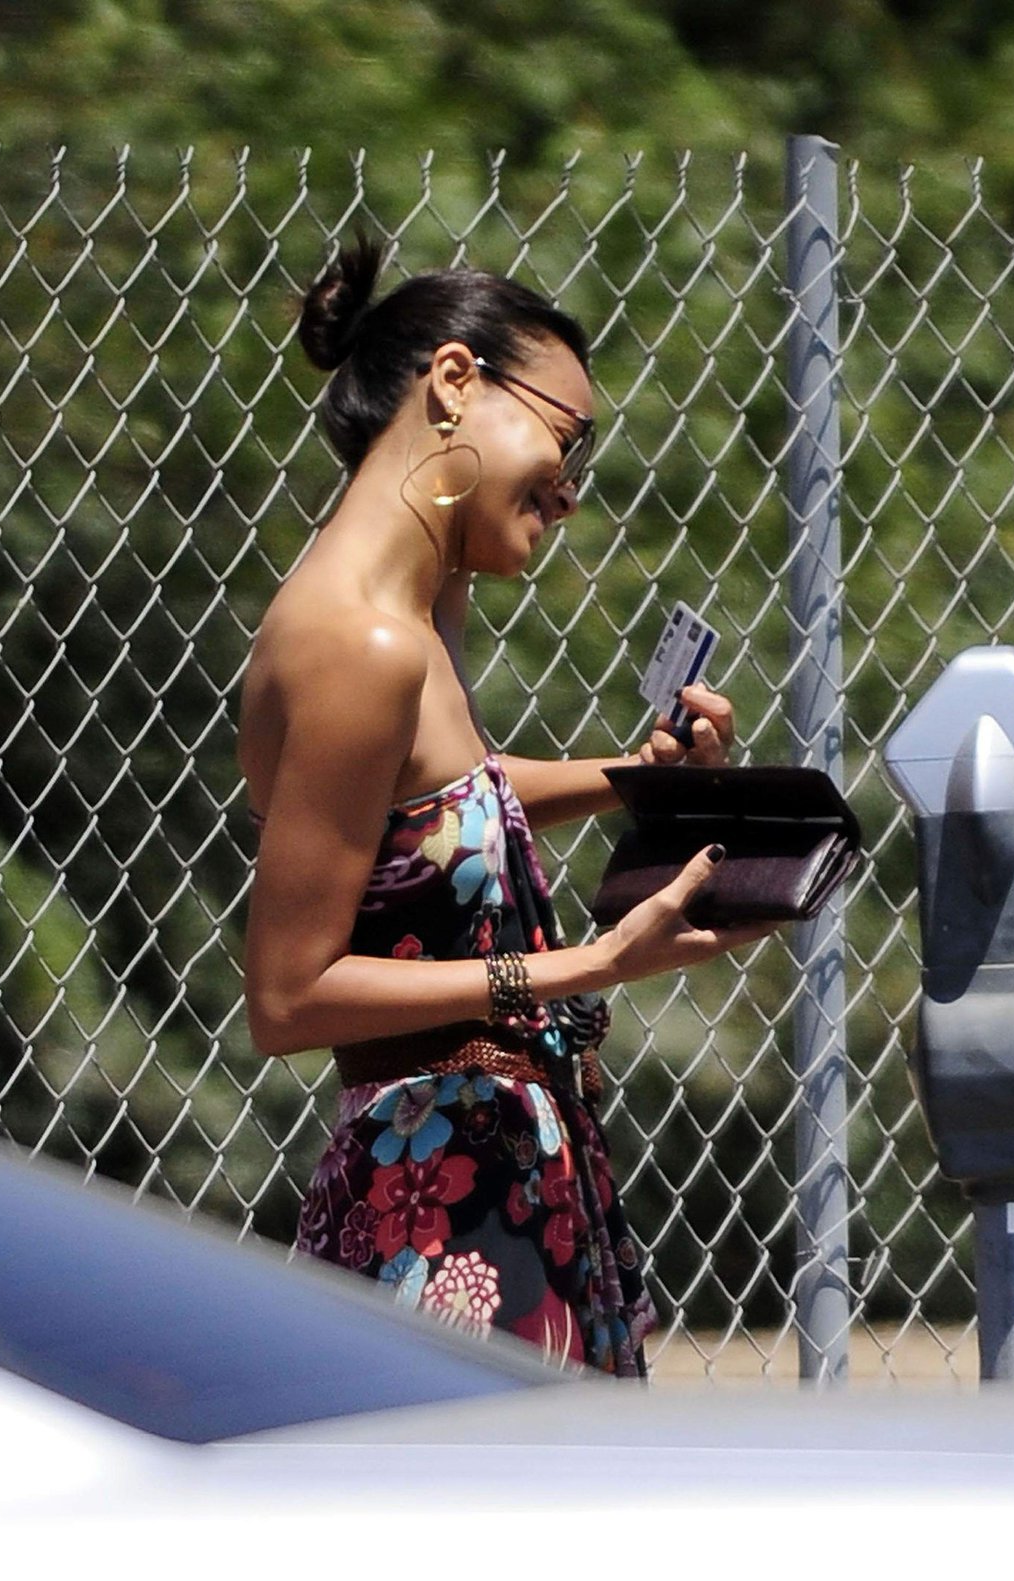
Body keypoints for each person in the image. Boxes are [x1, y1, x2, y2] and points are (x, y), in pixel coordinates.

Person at [238, 240, 771, 1377]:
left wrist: (640, 779)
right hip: (441, 1216)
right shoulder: (361, 643)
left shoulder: (414, 614)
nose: (571, 488)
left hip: (496, 1189)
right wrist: (586, 969)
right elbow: (288, 996)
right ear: (453, 382)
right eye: (565, 438)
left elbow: (443, 800)